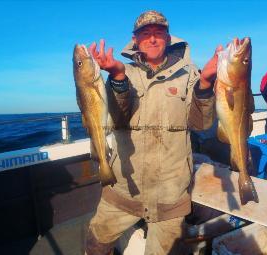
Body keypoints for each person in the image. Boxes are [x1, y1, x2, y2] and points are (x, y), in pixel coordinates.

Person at [85, 10, 221, 255]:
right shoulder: (123, 72)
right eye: (145, 34)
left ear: (168, 39)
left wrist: (206, 85)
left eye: (158, 33)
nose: (152, 39)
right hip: (124, 188)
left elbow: (201, 125)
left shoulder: (191, 74)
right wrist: (117, 77)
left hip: (171, 193)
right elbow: (117, 117)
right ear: (135, 40)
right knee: (96, 242)